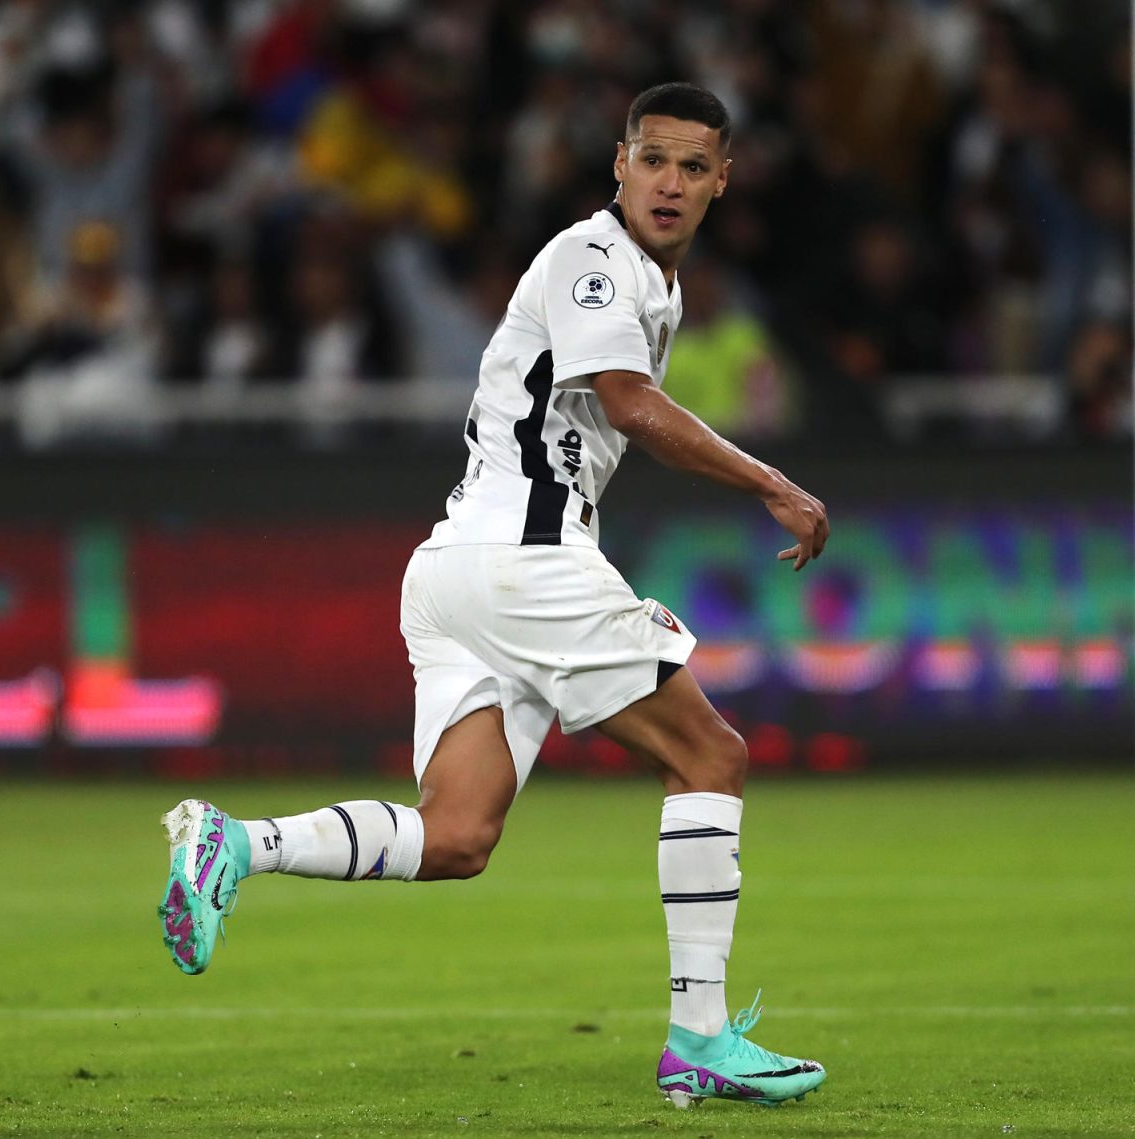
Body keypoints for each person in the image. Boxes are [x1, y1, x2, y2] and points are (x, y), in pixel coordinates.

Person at [157, 82, 830, 1109]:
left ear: (722, 182)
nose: (671, 182)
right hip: (522, 553)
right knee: (712, 754)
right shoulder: (593, 261)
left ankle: (235, 843)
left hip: (458, 567)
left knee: (458, 834)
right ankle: (697, 1037)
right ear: (620, 162)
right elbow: (629, 403)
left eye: (695, 167)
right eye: (655, 159)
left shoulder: (656, 282)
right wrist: (773, 483)